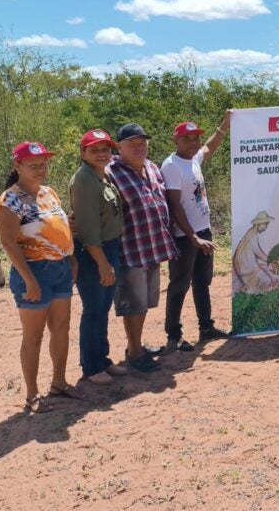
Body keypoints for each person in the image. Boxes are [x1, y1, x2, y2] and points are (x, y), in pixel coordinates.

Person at [0, 141, 80, 413]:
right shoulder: (10, 200)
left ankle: (59, 383)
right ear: (17, 166)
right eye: (33, 165)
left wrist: (70, 255)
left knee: (62, 328)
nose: (41, 168)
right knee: (34, 337)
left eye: (43, 163)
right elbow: (9, 243)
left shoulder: (48, 192)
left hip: (60, 269)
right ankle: (32, 395)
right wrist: (29, 279)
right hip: (34, 271)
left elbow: (56, 225)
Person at [107, 123, 178, 373]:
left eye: (143, 142)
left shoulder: (153, 168)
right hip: (130, 249)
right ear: (119, 147)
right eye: (133, 143)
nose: (139, 147)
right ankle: (135, 353)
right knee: (133, 303)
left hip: (153, 247)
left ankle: (134, 346)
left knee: (145, 302)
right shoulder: (110, 172)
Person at [160, 116, 231, 354]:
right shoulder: (172, 165)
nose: (193, 142)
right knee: (179, 284)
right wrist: (192, 237)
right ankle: (174, 335)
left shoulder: (193, 160)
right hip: (185, 235)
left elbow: (209, 147)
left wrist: (225, 124)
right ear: (176, 140)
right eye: (187, 138)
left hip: (202, 230)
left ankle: (206, 327)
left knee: (202, 281)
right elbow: (174, 205)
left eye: (195, 138)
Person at [70, 130, 128, 385]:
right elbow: (88, 230)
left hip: (110, 248)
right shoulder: (84, 180)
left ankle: (102, 359)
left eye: (105, 149)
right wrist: (103, 263)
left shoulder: (102, 175)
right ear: (83, 154)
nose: (101, 154)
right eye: (94, 150)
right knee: (93, 310)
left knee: (102, 309)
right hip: (94, 252)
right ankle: (91, 367)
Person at [232, 211, 279, 294]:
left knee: (267, 277)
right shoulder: (252, 236)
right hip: (246, 267)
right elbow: (259, 254)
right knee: (267, 281)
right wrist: (272, 260)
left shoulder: (250, 234)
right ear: (259, 224)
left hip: (245, 265)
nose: (266, 227)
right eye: (265, 225)